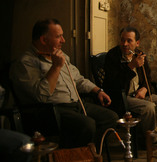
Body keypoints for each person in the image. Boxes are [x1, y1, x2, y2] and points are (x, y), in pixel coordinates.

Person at [10, 18, 118, 148]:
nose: (63, 40)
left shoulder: (62, 56)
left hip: (75, 104)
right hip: (51, 111)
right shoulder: (25, 63)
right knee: (87, 124)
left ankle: (88, 153)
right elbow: (40, 96)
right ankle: (74, 158)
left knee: (110, 117)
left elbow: (78, 79)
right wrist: (55, 67)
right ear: (44, 40)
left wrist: (97, 90)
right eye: (59, 36)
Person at [103, 26, 157, 138]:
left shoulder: (139, 55)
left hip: (138, 94)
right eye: (122, 40)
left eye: (129, 41)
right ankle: (149, 140)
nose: (125, 44)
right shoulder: (113, 56)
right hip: (122, 96)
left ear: (137, 43)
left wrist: (144, 89)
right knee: (149, 107)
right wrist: (131, 66)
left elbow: (148, 78)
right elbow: (114, 83)